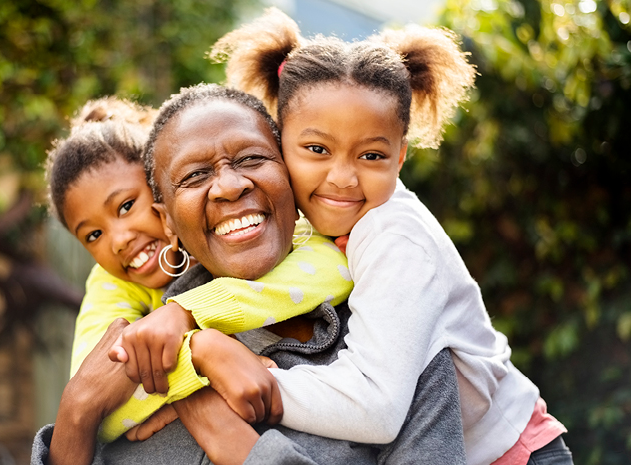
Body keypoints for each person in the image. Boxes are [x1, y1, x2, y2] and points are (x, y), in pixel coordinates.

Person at [209, 7, 573, 465]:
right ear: (279, 143)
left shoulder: (393, 237)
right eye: (317, 149)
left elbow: (377, 408)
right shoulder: (308, 224)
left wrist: (260, 382)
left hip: (513, 455)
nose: (342, 177)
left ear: (400, 157)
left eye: (372, 155)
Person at [32, 83, 467, 465]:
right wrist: (77, 412)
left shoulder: (396, 343)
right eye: (196, 175)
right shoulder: (143, 351)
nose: (229, 185)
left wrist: (236, 443)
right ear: (167, 221)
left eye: (253, 158)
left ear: (292, 177)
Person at [43, 96, 354, 442]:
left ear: (162, 189)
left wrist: (189, 314)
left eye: (127, 205)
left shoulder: (270, 225)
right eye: (93, 234)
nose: (118, 240)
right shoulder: (111, 283)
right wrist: (197, 365)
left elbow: (335, 268)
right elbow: (93, 391)